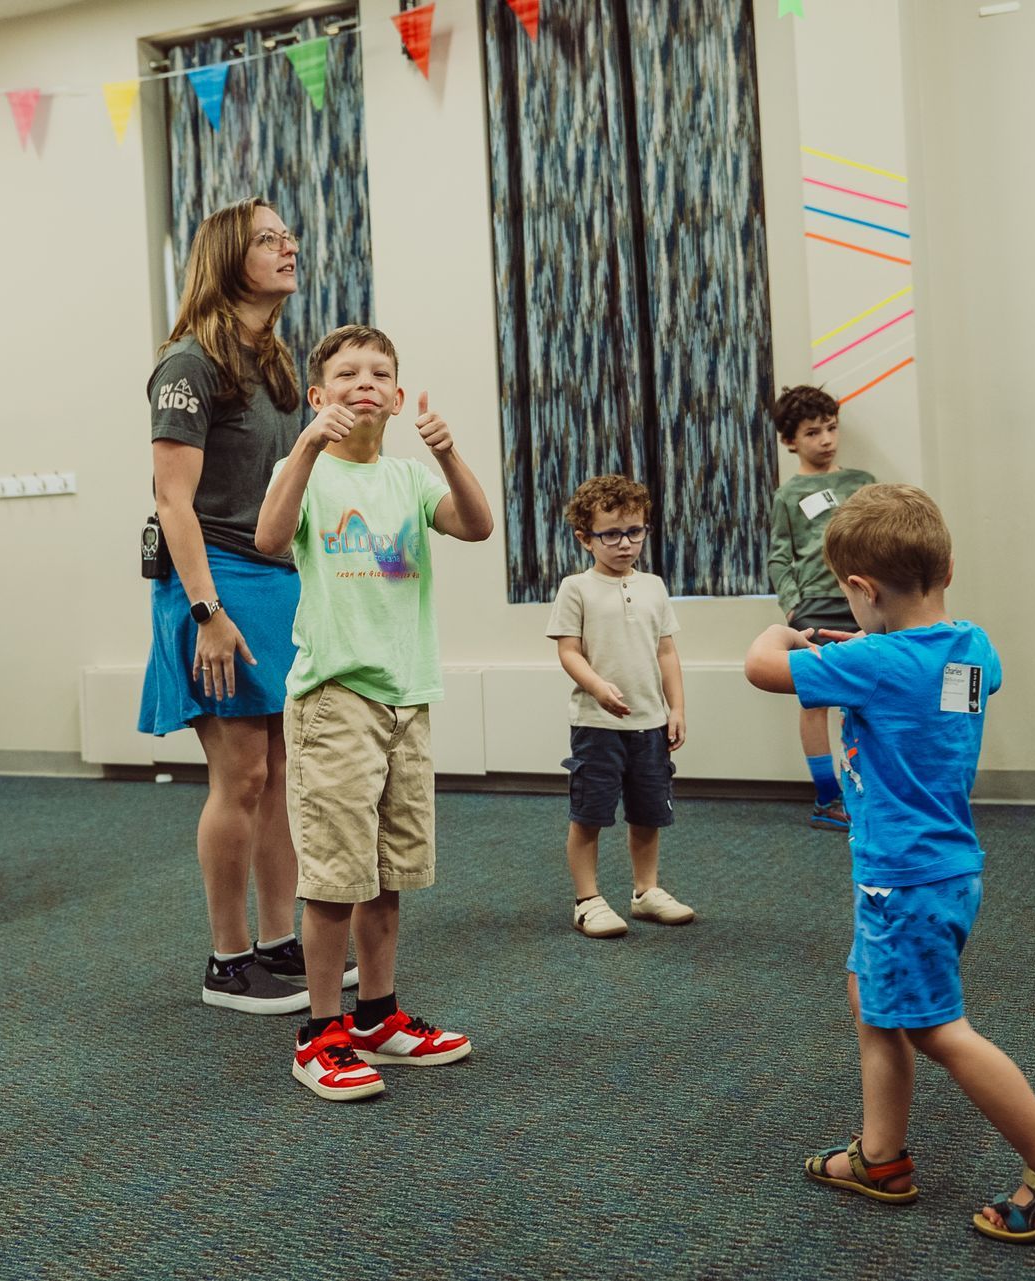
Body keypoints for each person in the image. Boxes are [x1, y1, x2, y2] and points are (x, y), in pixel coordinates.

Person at [744, 483, 1035, 1244]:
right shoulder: (972, 647)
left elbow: (762, 668)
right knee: (870, 997)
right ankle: (880, 1157)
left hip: (901, 876)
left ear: (860, 590)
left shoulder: (874, 661)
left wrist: (788, 631)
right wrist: (862, 652)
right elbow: (940, 688)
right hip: (945, 867)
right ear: (948, 566)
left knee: (938, 1029)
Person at [254, 324, 493, 1102]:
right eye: (346, 374)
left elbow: (477, 523)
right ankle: (320, 1033)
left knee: (387, 873)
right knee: (333, 878)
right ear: (319, 397)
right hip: (335, 700)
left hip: (407, 697)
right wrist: (304, 448)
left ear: (396, 396)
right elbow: (265, 537)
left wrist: (447, 450)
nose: (365, 382)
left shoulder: (409, 480)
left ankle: (376, 1016)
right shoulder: (310, 475)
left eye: (379, 373)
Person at [141, 198, 357, 1014]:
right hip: (213, 583)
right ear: (230, 256)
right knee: (241, 775)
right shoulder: (189, 365)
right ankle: (227, 960)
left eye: (288, 236)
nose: (287, 246)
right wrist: (206, 613)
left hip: (275, 583)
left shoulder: (274, 361)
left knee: (282, 773)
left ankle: (277, 940)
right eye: (268, 239)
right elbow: (173, 502)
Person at [545, 474, 696, 938]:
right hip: (597, 725)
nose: (625, 543)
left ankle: (645, 891)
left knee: (649, 812)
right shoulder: (577, 588)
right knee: (590, 814)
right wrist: (597, 686)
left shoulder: (653, 585)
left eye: (635, 531)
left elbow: (666, 651)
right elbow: (568, 650)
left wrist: (677, 708)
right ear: (584, 538)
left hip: (650, 725)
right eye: (611, 534)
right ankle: (587, 899)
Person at [765, 385, 874, 831]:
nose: (826, 439)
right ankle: (827, 798)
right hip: (815, 606)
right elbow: (779, 556)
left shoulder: (862, 483)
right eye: (813, 432)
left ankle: (873, 790)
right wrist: (794, 608)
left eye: (831, 428)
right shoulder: (787, 495)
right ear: (791, 441)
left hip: (866, 604)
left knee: (872, 695)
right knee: (815, 702)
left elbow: (881, 538)